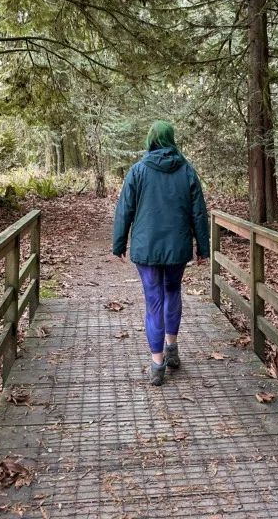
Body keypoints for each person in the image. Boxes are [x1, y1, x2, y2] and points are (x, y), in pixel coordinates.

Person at [112, 120, 210, 386]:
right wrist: (203, 248)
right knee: (172, 293)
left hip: (146, 248)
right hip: (177, 247)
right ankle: (172, 350)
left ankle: (157, 366)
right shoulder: (187, 171)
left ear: (150, 140)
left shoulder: (137, 171)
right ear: (171, 139)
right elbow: (199, 212)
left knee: (153, 301)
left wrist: (119, 243)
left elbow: (125, 209)